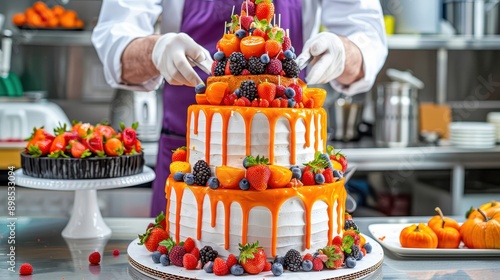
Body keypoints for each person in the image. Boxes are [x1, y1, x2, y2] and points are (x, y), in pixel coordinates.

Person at [92, 0, 388, 217]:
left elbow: (367, 38)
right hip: (189, 158)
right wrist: (155, 51)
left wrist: (343, 52)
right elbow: (115, 40)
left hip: (289, 165)